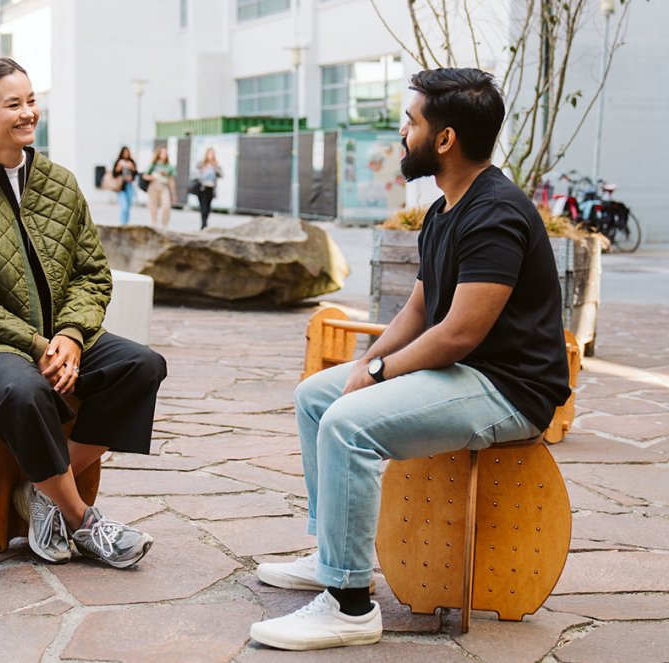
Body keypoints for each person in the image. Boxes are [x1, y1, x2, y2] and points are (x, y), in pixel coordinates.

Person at [248, 68, 571, 650]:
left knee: (349, 424)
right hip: (466, 374)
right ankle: (332, 556)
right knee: (317, 396)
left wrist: (375, 376)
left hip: (508, 389)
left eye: (410, 120)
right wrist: (363, 363)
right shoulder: (445, 208)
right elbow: (420, 311)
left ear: (444, 140)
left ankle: (348, 607)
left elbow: (458, 335)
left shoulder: (496, 213)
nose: (402, 132)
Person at [0, 57, 167, 569]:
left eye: (32, 100)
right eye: (14, 104)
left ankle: (40, 490)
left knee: (141, 365)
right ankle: (82, 518)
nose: (29, 113)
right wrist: (38, 345)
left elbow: (92, 274)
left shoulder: (60, 183)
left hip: (60, 338)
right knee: (24, 385)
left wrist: (72, 335)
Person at [142, 145, 176, 229]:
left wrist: (174, 193)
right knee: (153, 206)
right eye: (162, 152)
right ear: (159, 153)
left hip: (164, 186)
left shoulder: (169, 166)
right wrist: (153, 177)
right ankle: (154, 225)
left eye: (165, 152)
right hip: (153, 185)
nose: (164, 154)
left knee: (166, 206)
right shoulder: (153, 164)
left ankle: (165, 226)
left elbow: (171, 180)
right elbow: (144, 175)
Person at [194, 147, 222, 229]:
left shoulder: (216, 165)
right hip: (202, 188)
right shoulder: (201, 164)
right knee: (203, 207)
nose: (211, 156)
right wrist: (202, 171)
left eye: (213, 154)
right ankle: (203, 224)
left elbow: (221, 175)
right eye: (210, 154)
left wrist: (215, 167)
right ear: (206, 154)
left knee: (208, 207)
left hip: (211, 189)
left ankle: (205, 222)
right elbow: (195, 174)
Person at [112, 146, 138, 225]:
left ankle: (126, 224)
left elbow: (136, 174)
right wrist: (119, 167)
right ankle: (122, 224)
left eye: (127, 152)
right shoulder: (118, 162)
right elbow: (114, 174)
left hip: (129, 186)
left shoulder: (131, 161)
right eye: (124, 152)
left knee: (128, 207)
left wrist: (132, 168)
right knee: (124, 207)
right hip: (121, 187)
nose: (126, 154)